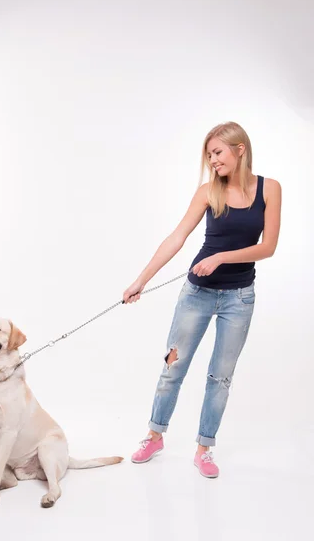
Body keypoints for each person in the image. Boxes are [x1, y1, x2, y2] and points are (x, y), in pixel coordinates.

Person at [122, 122, 282, 478]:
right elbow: (177, 237)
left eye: (218, 152)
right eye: (209, 155)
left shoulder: (270, 189)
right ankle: (154, 434)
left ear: (240, 150)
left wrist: (221, 257)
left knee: (220, 376)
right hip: (197, 294)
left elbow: (267, 247)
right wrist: (141, 281)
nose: (212, 160)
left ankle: (204, 448)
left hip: (238, 299)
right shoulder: (208, 191)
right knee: (172, 366)